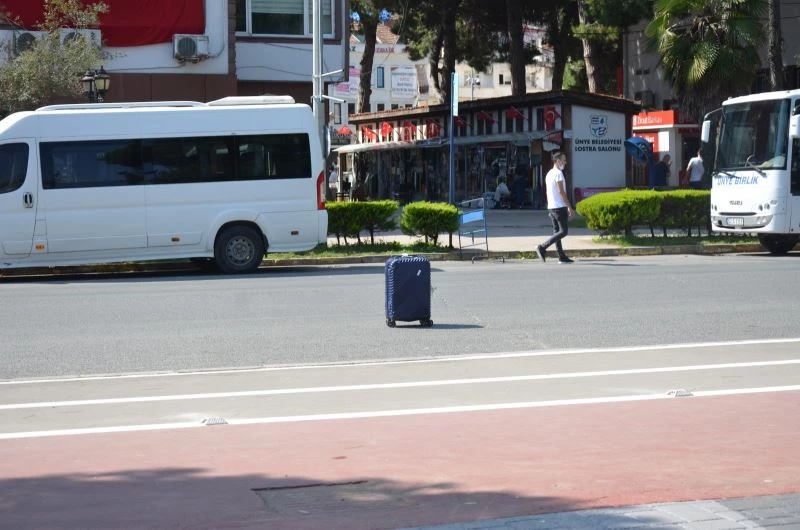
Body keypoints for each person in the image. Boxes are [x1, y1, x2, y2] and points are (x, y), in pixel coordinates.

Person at [535, 152, 575, 264]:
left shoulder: (549, 174)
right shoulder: (558, 173)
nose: (565, 163)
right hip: (559, 206)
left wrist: (549, 206)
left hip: (552, 206)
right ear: (557, 161)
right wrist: (569, 207)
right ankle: (542, 247)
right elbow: (561, 191)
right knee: (563, 231)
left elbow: (547, 192)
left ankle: (561, 256)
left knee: (557, 231)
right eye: (563, 160)